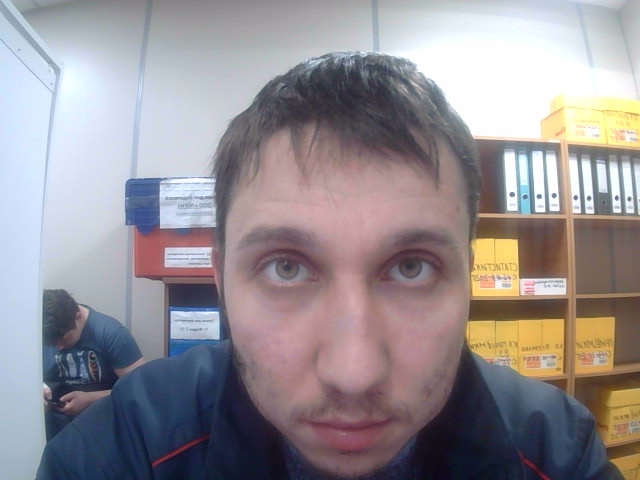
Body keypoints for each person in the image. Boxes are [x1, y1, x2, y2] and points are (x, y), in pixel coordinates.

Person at [37, 52, 622, 479]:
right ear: (220, 280)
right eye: (285, 268)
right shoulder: (126, 448)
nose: (354, 374)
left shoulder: (557, 451)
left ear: (466, 276)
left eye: (412, 268)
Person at [41, 288, 144, 441]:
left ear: (78, 318)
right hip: (52, 426)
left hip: (101, 426)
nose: (59, 347)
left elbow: (140, 388)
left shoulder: (111, 333)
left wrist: (91, 399)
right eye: (53, 343)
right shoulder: (40, 331)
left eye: (65, 339)